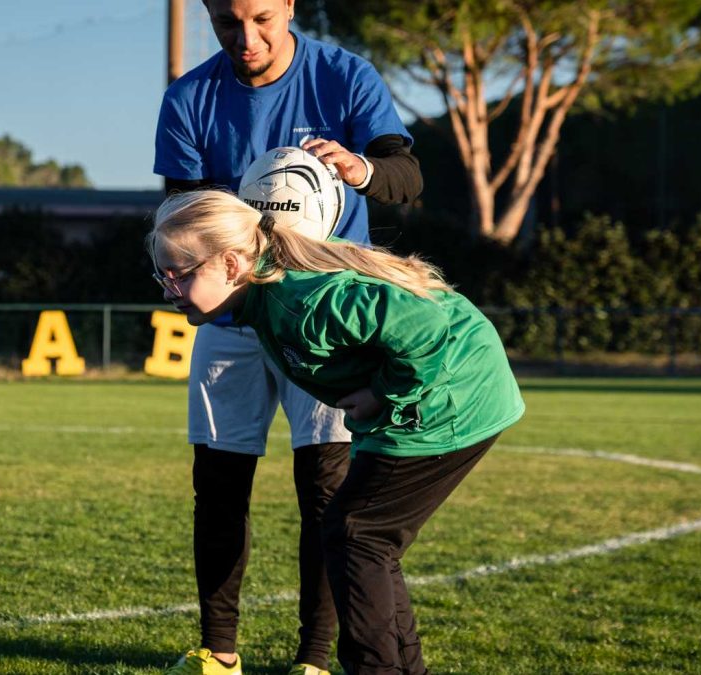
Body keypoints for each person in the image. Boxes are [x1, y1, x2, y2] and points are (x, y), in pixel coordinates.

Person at [148, 189, 525, 675]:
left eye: (180, 274)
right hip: (445, 397)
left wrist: (382, 392)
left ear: (231, 264)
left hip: (457, 400)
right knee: (367, 540)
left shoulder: (302, 302)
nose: (166, 289)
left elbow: (431, 328)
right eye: (162, 274)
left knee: (354, 534)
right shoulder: (263, 303)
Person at [154, 1, 422, 673]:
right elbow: (180, 214)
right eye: (226, 22)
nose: (247, 37)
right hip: (233, 319)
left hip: (326, 320)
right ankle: (219, 654)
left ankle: (313, 659)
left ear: (291, 6)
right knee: (217, 485)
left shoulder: (345, 76)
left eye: (263, 18)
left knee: (327, 492)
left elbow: (406, 178)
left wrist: (359, 169)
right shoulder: (190, 98)